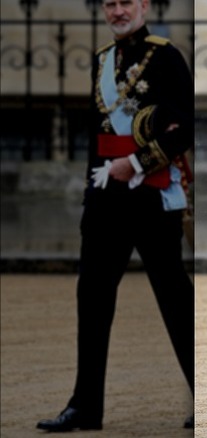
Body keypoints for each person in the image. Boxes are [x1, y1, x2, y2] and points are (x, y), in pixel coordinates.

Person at [35, 0, 194, 432]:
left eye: (126, 3)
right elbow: (97, 134)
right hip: (107, 199)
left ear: (143, 6)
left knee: (174, 298)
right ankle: (86, 406)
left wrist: (139, 163)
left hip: (152, 196)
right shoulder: (103, 60)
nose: (118, 11)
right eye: (110, 4)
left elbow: (183, 124)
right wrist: (92, 190)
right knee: (92, 299)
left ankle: (202, 392)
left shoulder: (165, 56)